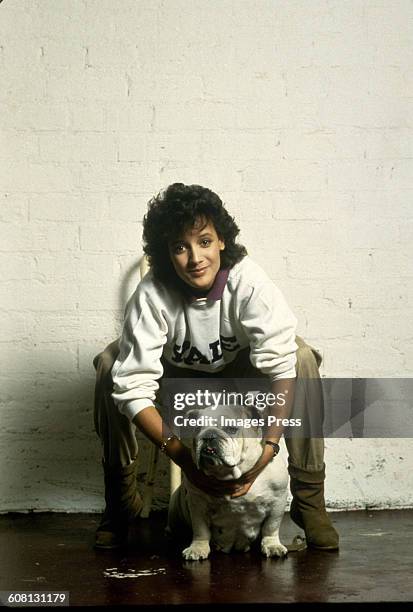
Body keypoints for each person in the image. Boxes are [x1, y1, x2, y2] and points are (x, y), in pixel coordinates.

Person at [93, 183, 339, 552]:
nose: (195, 258)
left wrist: (269, 447)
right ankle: (121, 502)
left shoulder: (248, 282)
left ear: (221, 240)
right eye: (180, 247)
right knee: (111, 366)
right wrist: (184, 460)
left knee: (301, 357)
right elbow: (133, 387)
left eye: (204, 241)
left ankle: (309, 503)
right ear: (167, 254)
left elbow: (281, 365)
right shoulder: (152, 293)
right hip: (180, 382)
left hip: (241, 380)